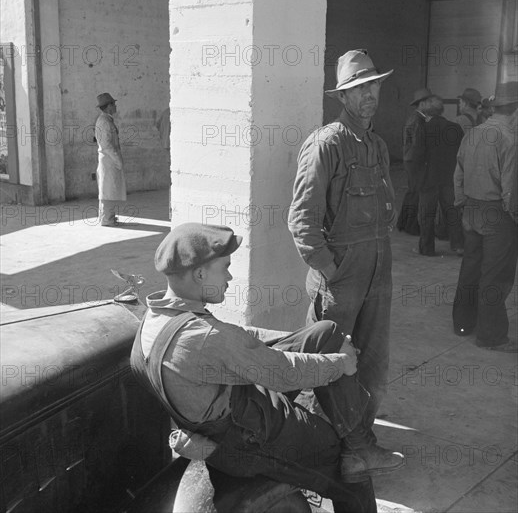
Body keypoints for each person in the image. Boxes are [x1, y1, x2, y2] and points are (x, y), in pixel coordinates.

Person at [131, 223, 404, 512]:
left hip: (230, 405)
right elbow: (282, 372)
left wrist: (299, 343)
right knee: (346, 466)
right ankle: (355, 451)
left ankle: (358, 441)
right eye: (224, 267)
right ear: (199, 274)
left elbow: (239, 338)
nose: (229, 276)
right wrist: (340, 365)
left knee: (325, 333)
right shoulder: (204, 339)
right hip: (244, 438)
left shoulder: (158, 317)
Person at [288, 49, 397, 455]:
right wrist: (332, 270)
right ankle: (313, 450)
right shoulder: (325, 145)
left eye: (374, 85)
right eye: (359, 88)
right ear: (344, 97)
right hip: (340, 276)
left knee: (371, 363)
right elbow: (302, 219)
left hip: (378, 269)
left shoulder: (377, 145)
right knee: (328, 364)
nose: (369, 94)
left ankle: (358, 444)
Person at [452, 81, 518, 351]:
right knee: (496, 275)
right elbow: (509, 187)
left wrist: (461, 203)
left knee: (471, 267)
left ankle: (463, 323)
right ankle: (491, 336)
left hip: (470, 208)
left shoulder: (474, 133)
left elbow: (458, 173)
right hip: (496, 213)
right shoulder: (510, 139)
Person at [416, 95, 464, 256]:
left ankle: (427, 248)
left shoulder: (423, 129)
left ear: (426, 112)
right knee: (452, 212)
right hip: (450, 177)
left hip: (429, 178)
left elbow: (418, 155)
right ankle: (458, 245)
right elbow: (461, 154)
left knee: (426, 215)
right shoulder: (455, 128)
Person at [396, 87, 434, 236]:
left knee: (412, 191)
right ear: (422, 104)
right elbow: (418, 145)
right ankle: (411, 226)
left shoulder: (416, 118)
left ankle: (403, 223)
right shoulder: (418, 120)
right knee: (416, 193)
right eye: (429, 102)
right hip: (415, 161)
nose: (431, 105)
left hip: (410, 159)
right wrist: (424, 162)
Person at [95, 92, 126, 226]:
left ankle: (107, 217)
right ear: (108, 106)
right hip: (109, 159)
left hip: (108, 159)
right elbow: (106, 145)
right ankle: (107, 219)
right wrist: (117, 160)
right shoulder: (104, 122)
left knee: (109, 189)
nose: (115, 106)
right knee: (108, 190)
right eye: (113, 104)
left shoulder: (106, 120)